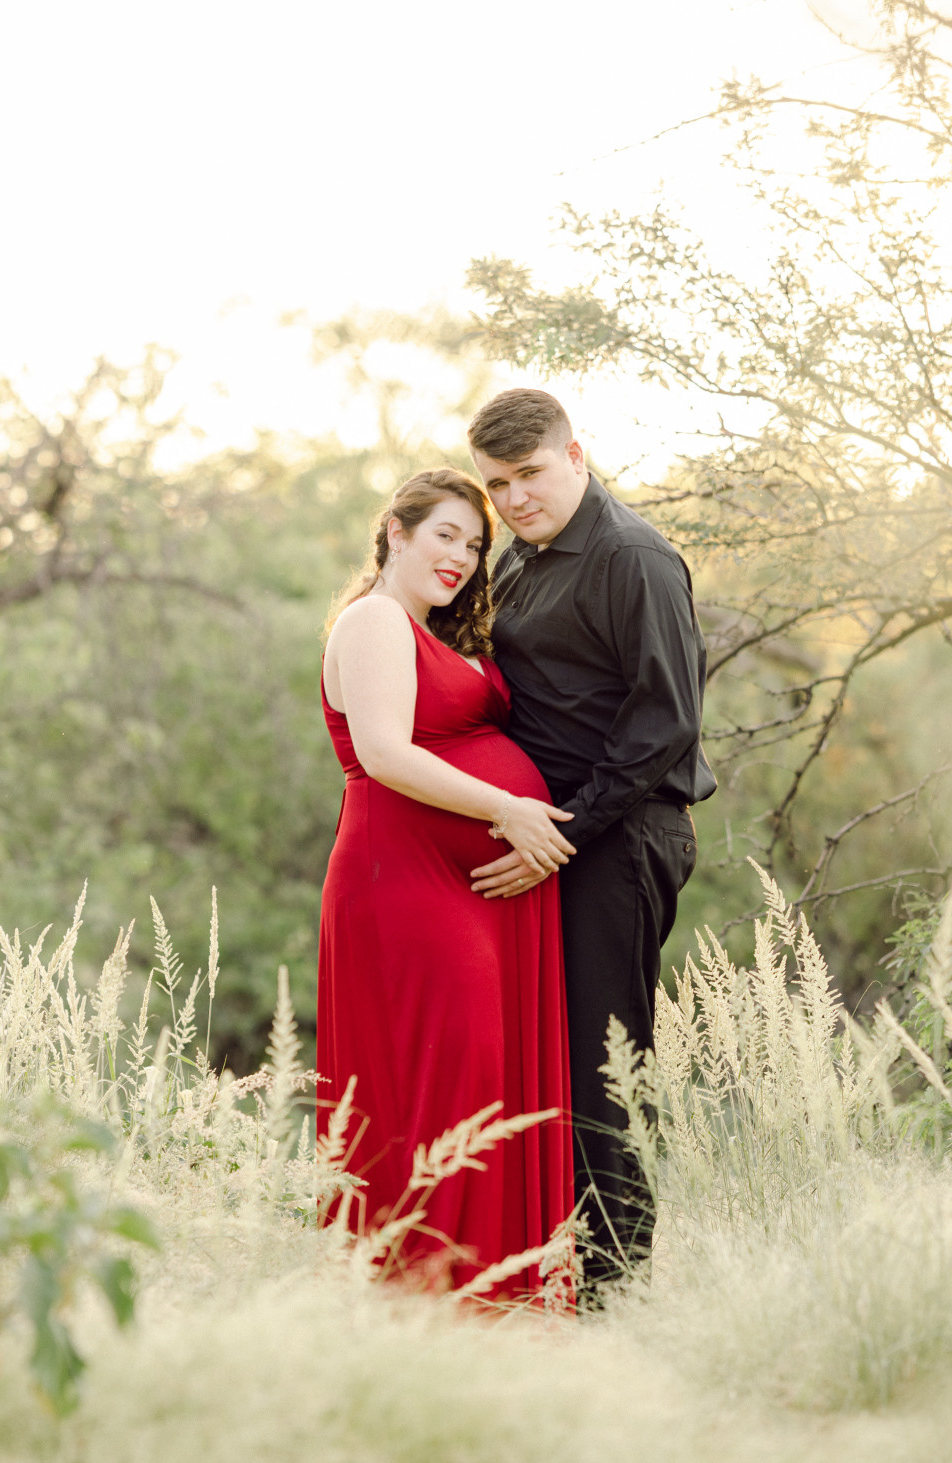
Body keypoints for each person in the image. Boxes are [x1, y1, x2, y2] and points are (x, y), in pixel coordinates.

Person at [466, 389, 716, 1293]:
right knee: (543, 1064)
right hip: (553, 842)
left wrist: (559, 833)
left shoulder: (631, 557)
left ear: (575, 455)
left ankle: (618, 1292)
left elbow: (664, 722)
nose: (514, 498)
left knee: (604, 1070)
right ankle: (546, 1280)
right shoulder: (520, 559)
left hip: (616, 838)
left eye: (528, 473)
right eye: (497, 485)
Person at [316, 467, 575, 1298]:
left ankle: (497, 1303)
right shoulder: (373, 619)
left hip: (474, 892)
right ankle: (435, 1304)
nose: (461, 556)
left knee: (485, 1084)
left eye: (474, 544)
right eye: (445, 535)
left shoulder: (433, 633)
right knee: (445, 1085)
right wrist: (510, 809)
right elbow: (385, 753)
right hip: (405, 882)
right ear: (396, 531)